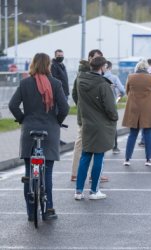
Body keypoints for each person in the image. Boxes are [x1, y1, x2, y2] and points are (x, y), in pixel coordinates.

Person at [9, 53, 69, 221]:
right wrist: (56, 121)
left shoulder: (25, 83)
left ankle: (30, 213)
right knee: (47, 172)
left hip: (29, 131)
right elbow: (64, 107)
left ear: (33, 64)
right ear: (48, 65)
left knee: (29, 172)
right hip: (50, 132)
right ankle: (48, 209)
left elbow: (13, 105)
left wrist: (23, 119)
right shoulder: (56, 84)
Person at [74, 56, 118, 200]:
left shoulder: (80, 80)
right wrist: (114, 118)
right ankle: (94, 191)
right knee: (99, 156)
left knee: (85, 156)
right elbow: (110, 108)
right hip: (101, 125)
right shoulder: (103, 84)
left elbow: (76, 98)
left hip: (87, 123)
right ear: (102, 67)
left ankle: (78, 191)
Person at [70, 49, 108, 183]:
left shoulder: (96, 73)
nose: (99, 60)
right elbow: (75, 93)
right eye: (97, 57)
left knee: (95, 144)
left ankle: (95, 174)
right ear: (90, 58)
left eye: (101, 58)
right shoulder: (82, 73)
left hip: (94, 116)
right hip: (86, 116)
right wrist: (83, 106)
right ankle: (75, 173)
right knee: (82, 143)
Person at [122, 60, 151, 166]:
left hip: (134, 108)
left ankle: (127, 159)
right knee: (148, 134)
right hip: (148, 109)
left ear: (137, 68)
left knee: (132, 134)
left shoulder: (130, 77)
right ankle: (148, 160)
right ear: (146, 68)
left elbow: (127, 91)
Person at [104, 60, 125, 154]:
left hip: (99, 105)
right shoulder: (114, 78)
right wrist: (118, 98)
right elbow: (122, 90)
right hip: (112, 104)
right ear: (110, 67)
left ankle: (101, 147)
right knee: (113, 125)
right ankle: (115, 147)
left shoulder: (98, 77)